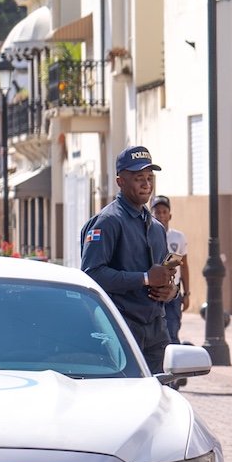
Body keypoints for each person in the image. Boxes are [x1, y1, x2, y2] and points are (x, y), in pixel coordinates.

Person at [80, 146, 178, 373]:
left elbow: (164, 276)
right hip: (120, 327)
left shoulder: (156, 227)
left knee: (162, 396)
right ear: (120, 181)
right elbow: (92, 275)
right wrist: (144, 278)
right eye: (138, 178)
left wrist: (169, 291)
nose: (146, 184)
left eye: (149, 178)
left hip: (156, 327)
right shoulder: (108, 221)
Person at [151, 195, 190, 345]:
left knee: (172, 332)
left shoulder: (177, 237)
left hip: (172, 292)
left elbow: (183, 265)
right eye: (157, 212)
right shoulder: (147, 235)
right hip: (154, 292)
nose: (161, 215)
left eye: (164, 212)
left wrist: (186, 293)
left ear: (170, 215)